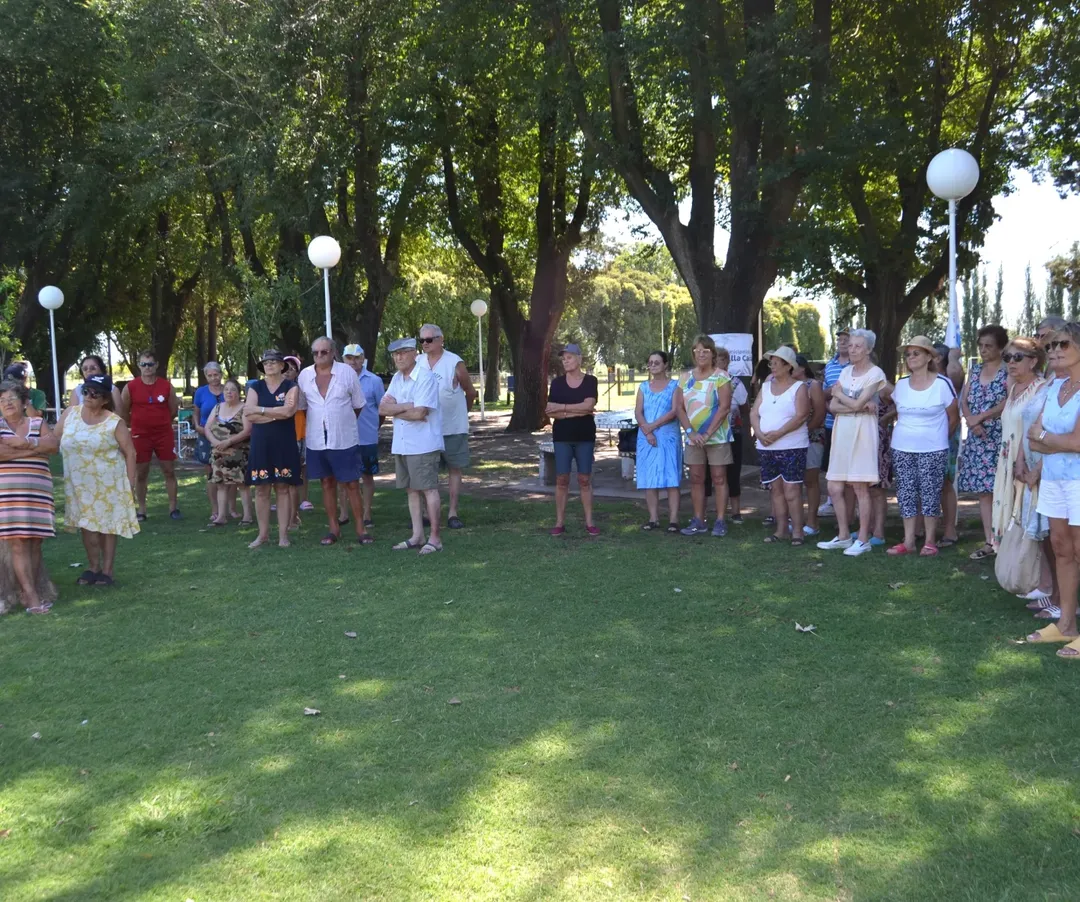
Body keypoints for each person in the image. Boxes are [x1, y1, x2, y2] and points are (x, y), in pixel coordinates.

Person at [1025, 322, 1080, 657]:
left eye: (1064, 344)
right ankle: (1066, 625)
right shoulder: (1056, 386)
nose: (1055, 350)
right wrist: (1054, 443)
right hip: (1056, 479)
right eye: (1052, 346)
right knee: (1061, 548)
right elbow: (1034, 434)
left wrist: (1047, 441)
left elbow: (1076, 442)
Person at [54, 374, 139, 586]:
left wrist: (130, 483)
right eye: (86, 391)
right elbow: (52, 439)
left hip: (109, 482)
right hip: (79, 484)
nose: (89, 396)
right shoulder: (70, 414)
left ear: (105, 399)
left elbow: (130, 452)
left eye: (96, 393)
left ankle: (107, 571)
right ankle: (93, 567)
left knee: (107, 526)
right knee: (87, 526)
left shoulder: (114, 422)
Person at [887, 337, 960, 556]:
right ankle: (908, 541)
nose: (911, 358)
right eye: (908, 354)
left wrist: (938, 440)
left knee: (930, 494)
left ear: (929, 357)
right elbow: (899, 413)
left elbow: (953, 418)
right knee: (906, 492)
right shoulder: (901, 384)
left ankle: (929, 541)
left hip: (933, 449)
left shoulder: (942, 384)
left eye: (916, 353)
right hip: (902, 447)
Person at [297, 337, 373, 547]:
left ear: (333, 353)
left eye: (324, 352)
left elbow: (358, 404)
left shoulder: (346, 372)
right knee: (326, 483)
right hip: (317, 441)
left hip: (344, 439)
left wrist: (342, 421)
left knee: (351, 484)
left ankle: (361, 528)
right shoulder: (305, 376)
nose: (319, 356)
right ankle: (333, 528)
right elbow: (303, 406)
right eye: (315, 353)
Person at [817, 329, 886, 556]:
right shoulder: (845, 372)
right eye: (851, 345)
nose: (852, 349)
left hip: (863, 433)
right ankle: (844, 535)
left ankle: (864, 538)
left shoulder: (875, 373)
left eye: (857, 346)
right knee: (834, 486)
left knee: (859, 486)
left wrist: (845, 399)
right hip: (842, 432)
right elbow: (833, 407)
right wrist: (854, 405)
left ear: (868, 349)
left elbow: (851, 404)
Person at [380, 337, 445, 554]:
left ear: (414, 354)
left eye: (403, 353)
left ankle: (435, 538)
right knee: (411, 490)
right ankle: (417, 535)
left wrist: (397, 409)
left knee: (428, 489)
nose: (398, 357)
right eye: (395, 354)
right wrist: (407, 406)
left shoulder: (425, 377)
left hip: (423, 444)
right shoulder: (398, 379)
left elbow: (420, 413)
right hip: (403, 444)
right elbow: (382, 408)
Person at [0, 380, 59, 613]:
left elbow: (53, 446)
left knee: (35, 542)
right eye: (2, 401)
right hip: (8, 495)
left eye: (11, 399)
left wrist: (23, 443)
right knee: (18, 542)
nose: (6, 404)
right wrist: (37, 448)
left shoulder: (38, 422)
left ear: (25, 402)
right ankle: (32, 597)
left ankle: (28, 590)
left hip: (38, 493)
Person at [417, 324, 477, 529]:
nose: (425, 343)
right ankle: (427, 513)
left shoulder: (454, 362)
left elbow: (470, 392)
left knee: (454, 468)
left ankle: (452, 512)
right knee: (427, 470)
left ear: (441, 339)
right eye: (422, 340)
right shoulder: (417, 362)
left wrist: (461, 414)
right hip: (425, 428)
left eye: (429, 339)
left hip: (453, 427)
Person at [958, 324, 1009, 559]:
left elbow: (1009, 401)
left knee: (1003, 490)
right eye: (981, 345)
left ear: (1001, 347)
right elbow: (965, 399)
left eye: (989, 346)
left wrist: (982, 417)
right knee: (984, 493)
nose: (984, 349)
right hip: (978, 440)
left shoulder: (1009, 371)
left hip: (999, 437)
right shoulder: (976, 370)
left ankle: (1007, 541)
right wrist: (971, 420)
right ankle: (989, 541)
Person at [991, 338, 1049, 544]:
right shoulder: (1013, 388)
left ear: (1033, 362)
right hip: (1007, 459)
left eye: (1018, 357)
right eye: (1007, 358)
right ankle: (1011, 563)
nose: (1011, 362)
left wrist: (1022, 461)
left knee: (1028, 519)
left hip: (1027, 462)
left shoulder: (1042, 389)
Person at [751, 347, 810, 545]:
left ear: (788, 366)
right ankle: (781, 529)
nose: (772, 366)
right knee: (775, 490)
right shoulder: (766, 387)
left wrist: (778, 434)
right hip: (767, 446)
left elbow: (801, 416)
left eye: (776, 363)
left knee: (792, 490)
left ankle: (798, 532)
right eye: (771, 362)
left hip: (792, 446)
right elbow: (754, 413)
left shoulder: (799, 387)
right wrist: (759, 433)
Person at [244, 350, 302, 548]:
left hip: (284, 442)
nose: (269, 365)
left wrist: (261, 410)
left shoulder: (291, 386)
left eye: (273, 362)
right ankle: (262, 534)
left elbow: (288, 411)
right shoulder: (255, 387)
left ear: (281, 365)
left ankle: (283, 536)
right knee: (261, 488)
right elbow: (248, 414)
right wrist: (275, 413)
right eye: (266, 362)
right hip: (261, 443)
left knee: (283, 487)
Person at [677, 335, 733, 537]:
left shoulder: (721, 377)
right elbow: (679, 408)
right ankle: (698, 520)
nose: (701, 354)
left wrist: (708, 433)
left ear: (712, 354)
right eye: (697, 350)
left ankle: (720, 520)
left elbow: (724, 407)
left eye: (705, 350)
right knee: (696, 478)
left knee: (719, 478)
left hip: (716, 437)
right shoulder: (685, 378)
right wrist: (691, 432)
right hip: (693, 438)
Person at [119, 350, 180, 521]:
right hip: (141, 435)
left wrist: (161, 422)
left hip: (163, 434)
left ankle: (173, 508)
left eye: (150, 364)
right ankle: (142, 510)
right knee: (142, 472)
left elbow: (173, 409)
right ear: (139, 365)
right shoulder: (131, 387)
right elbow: (124, 410)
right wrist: (136, 425)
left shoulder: (166, 386)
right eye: (144, 364)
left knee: (169, 470)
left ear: (156, 365)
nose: (147, 368)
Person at [545, 343, 600, 536]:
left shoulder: (591, 381)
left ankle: (590, 522)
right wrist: (576, 410)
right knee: (562, 479)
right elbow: (550, 410)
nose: (565, 361)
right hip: (562, 437)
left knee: (585, 479)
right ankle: (559, 522)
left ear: (579, 359)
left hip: (584, 437)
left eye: (569, 357)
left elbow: (589, 406)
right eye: (563, 358)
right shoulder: (557, 383)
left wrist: (564, 409)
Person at [634, 350, 683, 532]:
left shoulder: (675, 386)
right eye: (650, 362)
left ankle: (673, 519)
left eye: (656, 362)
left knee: (671, 478)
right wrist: (647, 431)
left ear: (665, 365)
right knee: (649, 478)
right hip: (646, 437)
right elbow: (638, 411)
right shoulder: (643, 387)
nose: (652, 365)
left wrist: (652, 426)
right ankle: (653, 518)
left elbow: (674, 411)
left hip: (668, 437)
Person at [343, 344, 385, 528]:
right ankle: (344, 513)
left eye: (356, 357)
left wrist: (374, 426)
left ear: (363, 358)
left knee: (367, 476)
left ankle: (367, 512)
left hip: (367, 437)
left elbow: (382, 409)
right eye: (349, 358)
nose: (353, 361)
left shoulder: (374, 381)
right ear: (343, 359)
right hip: (343, 438)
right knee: (343, 477)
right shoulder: (337, 379)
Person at [205, 378, 253, 526]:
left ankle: (247, 516)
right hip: (218, 453)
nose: (229, 392)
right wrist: (215, 442)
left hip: (239, 453)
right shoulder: (218, 407)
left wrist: (229, 442)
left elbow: (247, 430)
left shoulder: (245, 408)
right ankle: (221, 516)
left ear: (239, 393)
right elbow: (207, 427)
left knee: (242, 485)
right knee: (220, 484)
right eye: (226, 389)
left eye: (232, 390)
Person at [931, 342, 965, 546]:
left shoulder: (948, 378)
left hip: (945, 435)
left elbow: (957, 377)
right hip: (923, 438)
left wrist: (953, 356)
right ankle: (921, 529)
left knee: (944, 483)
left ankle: (949, 530)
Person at [818, 327, 851, 516]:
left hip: (852, 423)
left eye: (846, 339)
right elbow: (823, 393)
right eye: (840, 339)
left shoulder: (856, 366)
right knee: (832, 465)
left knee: (850, 467)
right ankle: (832, 501)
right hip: (832, 424)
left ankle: (850, 504)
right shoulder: (830, 365)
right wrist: (832, 393)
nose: (842, 342)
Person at [716, 347, 747, 524]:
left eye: (721, 360)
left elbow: (744, 408)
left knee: (733, 473)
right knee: (710, 474)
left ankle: (736, 511)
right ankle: (710, 510)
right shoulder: (707, 382)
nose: (718, 363)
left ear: (727, 362)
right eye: (716, 360)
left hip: (732, 434)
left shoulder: (736, 383)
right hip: (711, 435)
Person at [796, 355, 826, 535]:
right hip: (791, 439)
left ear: (802, 367)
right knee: (794, 481)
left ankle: (812, 522)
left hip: (812, 437)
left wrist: (806, 430)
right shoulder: (787, 385)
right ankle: (797, 520)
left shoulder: (812, 385)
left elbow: (820, 412)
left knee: (810, 479)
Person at [194, 362, 226, 517]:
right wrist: (197, 426)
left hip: (227, 436)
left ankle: (229, 509)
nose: (214, 378)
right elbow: (197, 412)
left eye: (216, 374)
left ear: (221, 374)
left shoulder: (228, 389)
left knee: (229, 472)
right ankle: (215, 509)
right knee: (211, 474)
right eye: (210, 375)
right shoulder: (201, 392)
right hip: (206, 436)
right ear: (206, 376)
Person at [284, 356, 311, 520]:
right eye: (285, 368)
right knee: (283, 468)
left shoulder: (302, 388)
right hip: (283, 433)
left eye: (292, 369)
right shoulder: (275, 388)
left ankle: (304, 499)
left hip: (301, 431)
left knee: (303, 468)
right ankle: (282, 497)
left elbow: (306, 409)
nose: (288, 371)